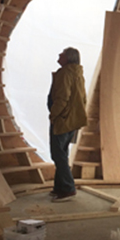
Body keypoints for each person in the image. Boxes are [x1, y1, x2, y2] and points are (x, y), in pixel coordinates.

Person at [48, 47, 87, 201]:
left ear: (69, 57)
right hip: (73, 119)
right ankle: (59, 187)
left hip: (63, 120)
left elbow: (62, 97)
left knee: (58, 155)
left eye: (62, 54)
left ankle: (68, 188)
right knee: (62, 153)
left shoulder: (65, 73)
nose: (59, 55)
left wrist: (54, 114)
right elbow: (82, 97)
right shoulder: (77, 73)